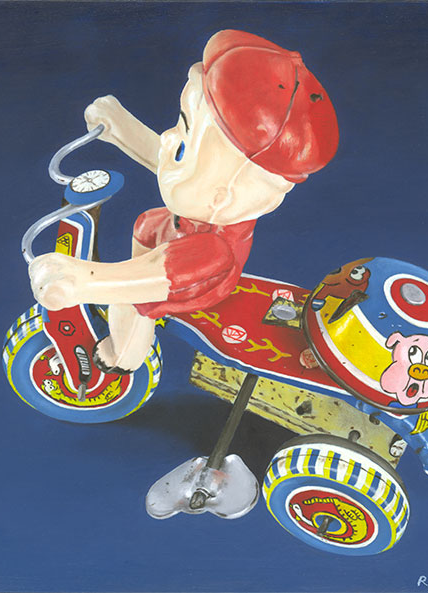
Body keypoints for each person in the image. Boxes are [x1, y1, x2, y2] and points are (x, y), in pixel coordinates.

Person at [29, 29, 339, 372]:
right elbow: (173, 173)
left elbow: (166, 261)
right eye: (181, 126)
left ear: (222, 197)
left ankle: (123, 357)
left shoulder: (213, 253)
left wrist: (81, 281)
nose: (168, 139)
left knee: (134, 300)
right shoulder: (205, 197)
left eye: (182, 144)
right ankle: (127, 277)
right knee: (148, 224)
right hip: (179, 234)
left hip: (192, 276)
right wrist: (121, 128)